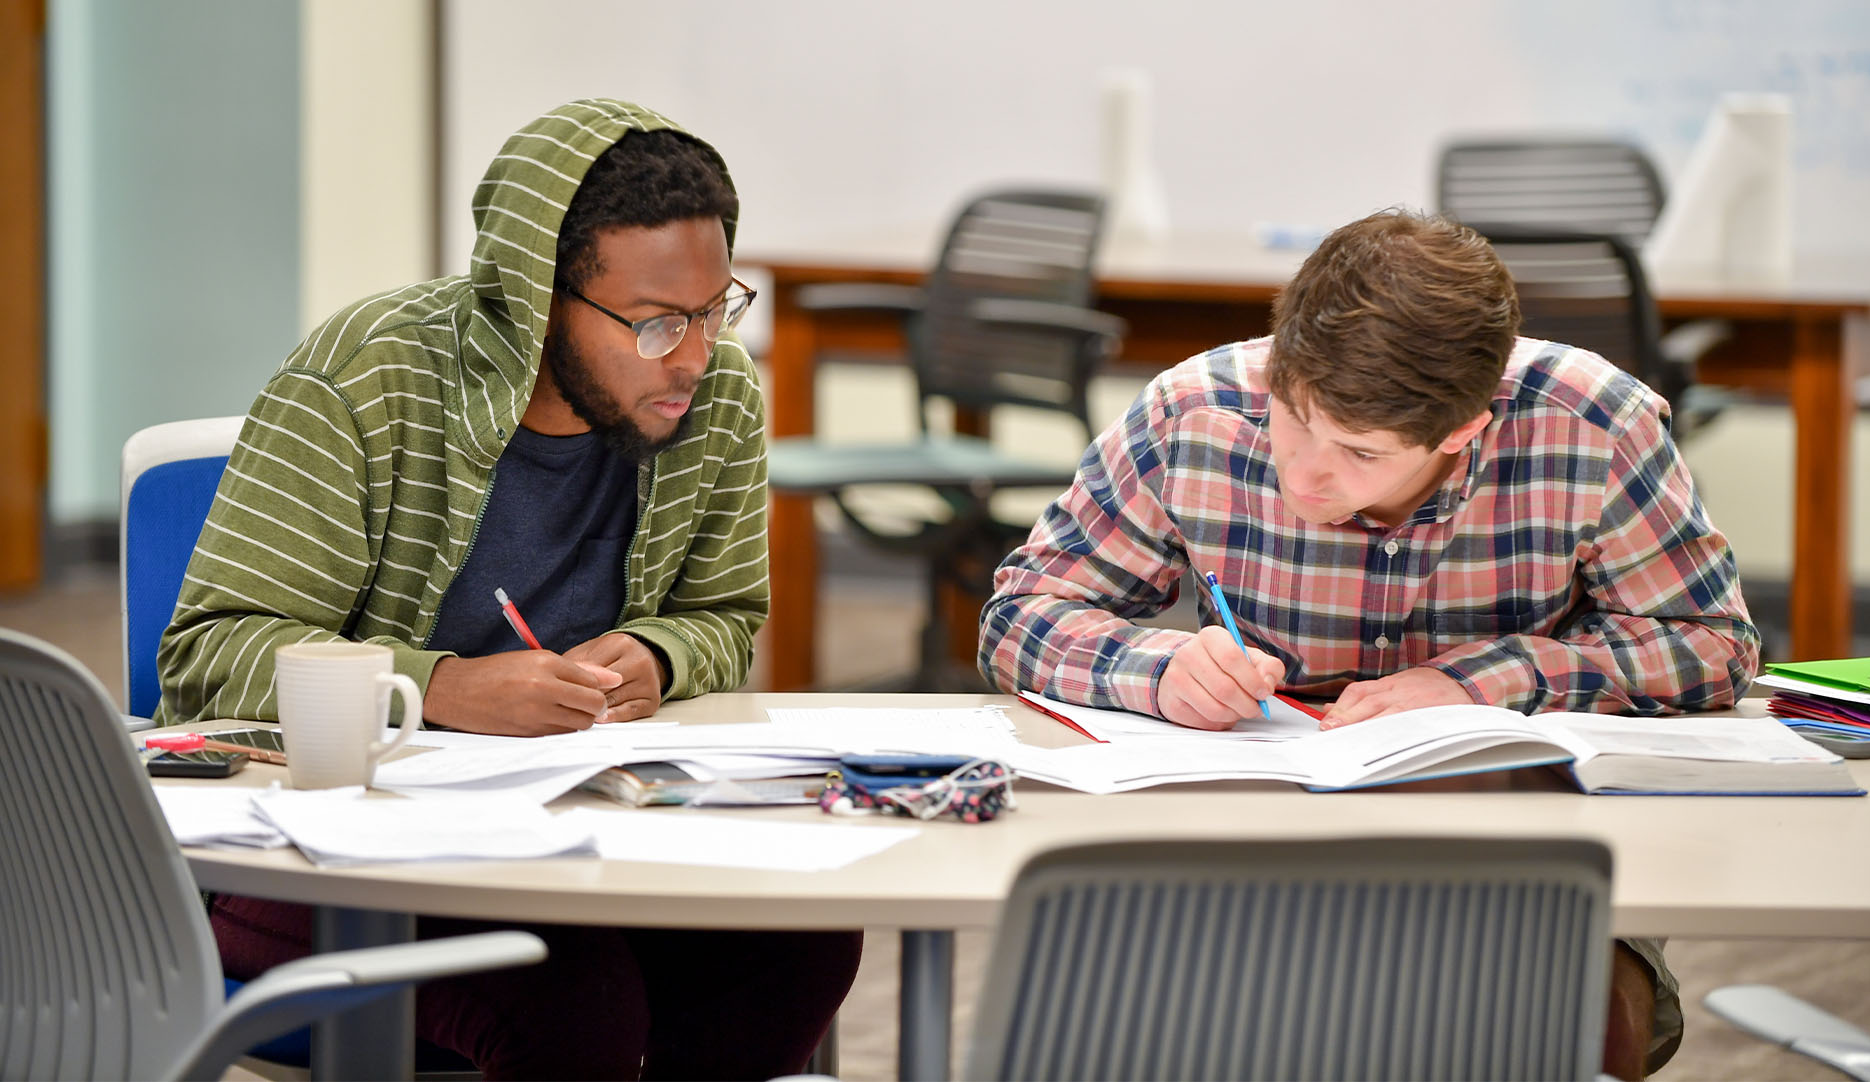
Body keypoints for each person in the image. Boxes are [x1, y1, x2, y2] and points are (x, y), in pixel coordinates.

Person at [158, 99, 858, 1080]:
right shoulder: (366, 378)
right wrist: (440, 689)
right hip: (304, 848)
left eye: (714, 308)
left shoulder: (717, 398)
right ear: (537, 297)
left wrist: (659, 653)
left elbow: (723, 620)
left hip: (564, 832)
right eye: (656, 323)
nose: (695, 355)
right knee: (570, 999)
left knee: (795, 945)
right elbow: (209, 648)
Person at [979, 209, 1761, 1079]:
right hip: (1251, 841)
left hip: (1517, 847)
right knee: (1134, 1021)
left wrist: (1483, 685)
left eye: (1358, 452)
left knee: (1564, 1034)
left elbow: (1711, 645)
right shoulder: (1193, 410)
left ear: (1464, 431)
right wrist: (1156, 670)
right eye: (1292, 419)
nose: (1305, 473)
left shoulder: (1592, 424)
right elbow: (1023, 612)